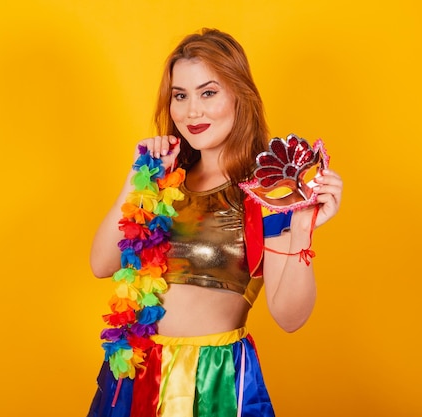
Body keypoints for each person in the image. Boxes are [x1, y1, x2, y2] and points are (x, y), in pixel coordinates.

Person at [87, 28, 343, 417]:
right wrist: (138, 175)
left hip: (213, 383)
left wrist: (302, 226)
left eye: (208, 92)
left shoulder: (267, 193)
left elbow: (290, 317)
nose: (192, 111)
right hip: (136, 374)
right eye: (180, 95)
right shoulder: (163, 181)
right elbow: (102, 264)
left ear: (240, 95)